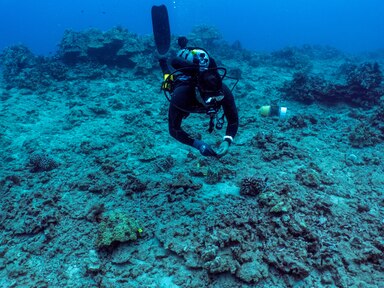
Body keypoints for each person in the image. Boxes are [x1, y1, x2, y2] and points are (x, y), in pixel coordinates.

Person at [159, 37, 239, 158]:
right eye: (209, 100)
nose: (212, 103)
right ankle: (163, 62)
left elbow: (233, 121)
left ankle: (184, 49)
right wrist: (197, 144)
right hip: (183, 86)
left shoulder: (223, 91)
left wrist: (227, 140)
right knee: (168, 80)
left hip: (201, 76)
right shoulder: (181, 95)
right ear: (197, 92)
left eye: (216, 98)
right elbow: (173, 129)